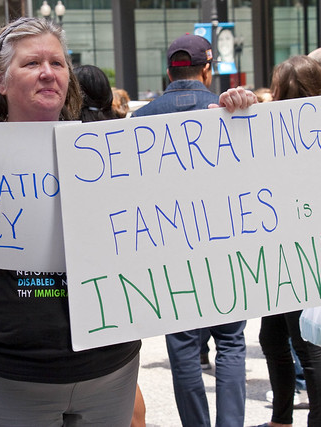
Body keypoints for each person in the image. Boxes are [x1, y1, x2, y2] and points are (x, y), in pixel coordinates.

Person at [0, 17, 255, 426]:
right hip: (4, 374)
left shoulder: (112, 149)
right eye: (32, 64)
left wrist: (230, 127)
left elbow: (188, 209)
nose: (48, 73)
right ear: (0, 79)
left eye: (58, 63)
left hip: (108, 370)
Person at [133, 33, 250, 427]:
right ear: (208, 69)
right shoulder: (232, 112)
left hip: (170, 254)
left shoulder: (141, 119)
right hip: (227, 248)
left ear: (168, 72)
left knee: (182, 346)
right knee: (232, 342)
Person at [255, 55, 321, 427]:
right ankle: (282, 419)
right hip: (278, 243)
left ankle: (309, 421)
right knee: (273, 336)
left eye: (279, 89)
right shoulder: (272, 127)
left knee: (305, 344)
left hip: (300, 245)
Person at [73, 63, 146, 427]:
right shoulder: (126, 137)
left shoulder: (58, 138)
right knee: (120, 372)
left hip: (64, 286)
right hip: (120, 281)